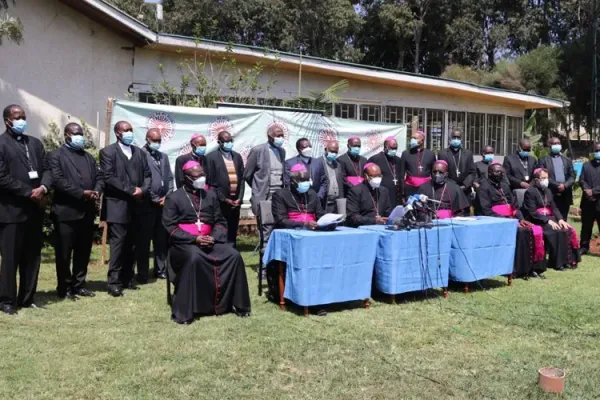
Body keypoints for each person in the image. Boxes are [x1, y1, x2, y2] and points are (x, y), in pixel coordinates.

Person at [162, 161, 251, 324]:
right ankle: (187, 310)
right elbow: (170, 227)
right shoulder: (174, 198)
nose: (201, 179)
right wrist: (193, 239)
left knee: (234, 255)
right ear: (186, 178)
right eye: (197, 176)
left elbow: (220, 221)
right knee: (194, 257)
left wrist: (214, 237)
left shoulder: (210, 195)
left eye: (203, 175)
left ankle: (238, 305)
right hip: (184, 244)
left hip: (210, 240)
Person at [0, 104, 51, 315]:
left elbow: (48, 169)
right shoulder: (1, 144)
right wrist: (29, 192)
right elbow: (2, 176)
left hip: (34, 211)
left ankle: (27, 297)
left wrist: (44, 188)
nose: (22, 120)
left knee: (32, 257)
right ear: (7, 121)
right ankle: (7, 301)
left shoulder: (35, 143)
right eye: (17, 117)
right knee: (10, 258)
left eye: (23, 116)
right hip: (11, 211)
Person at [47, 122, 101, 300]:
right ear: (67, 135)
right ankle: (64, 288)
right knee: (64, 253)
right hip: (66, 212)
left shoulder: (87, 157)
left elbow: (99, 176)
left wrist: (97, 190)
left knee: (83, 251)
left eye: (81, 133)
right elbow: (58, 180)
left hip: (86, 212)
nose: (80, 137)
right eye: (76, 133)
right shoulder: (55, 156)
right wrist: (82, 193)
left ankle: (79, 285)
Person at [100, 121, 151, 297]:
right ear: (118, 133)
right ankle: (114, 281)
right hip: (118, 205)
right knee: (118, 245)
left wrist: (142, 189)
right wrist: (131, 190)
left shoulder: (139, 152)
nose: (130, 133)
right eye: (126, 130)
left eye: (131, 130)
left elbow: (147, 175)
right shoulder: (108, 152)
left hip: (137, 206)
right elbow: (109, 177)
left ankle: (127, 278)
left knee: (133, 244)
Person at [478, 163, 546, 279]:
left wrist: (521, 219)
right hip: (495, 221)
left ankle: (534, 268)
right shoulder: (483, 188)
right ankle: (518, 270)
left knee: (534, 229)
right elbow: (485, 211)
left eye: (501, 172)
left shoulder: (505, 186)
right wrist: (508, 221)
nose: (500, 174)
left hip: (511, 219)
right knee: (521, 233)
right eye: (497, 172)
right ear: (489, 173)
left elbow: (515, 207)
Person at [523, 168, 580, 270]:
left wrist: (560, 219)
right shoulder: (530, 192)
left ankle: (567, 261)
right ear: (536, 180)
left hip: (550, 218)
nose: (546, 180)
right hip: (537, 220)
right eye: (543, 178)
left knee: (566, 230)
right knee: (555, 231)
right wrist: (548, 220)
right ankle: (556, 263)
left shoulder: (548, 191)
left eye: (547, 178)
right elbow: (532, 212)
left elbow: (554, 207)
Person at [141, 128, 173, 280]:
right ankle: (143, 272)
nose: (157, 143)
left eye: (159, 141)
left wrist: (167, 196)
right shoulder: (140, 155)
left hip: (163, 205)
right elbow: (141, 180)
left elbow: (170, 179)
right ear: (147, 139)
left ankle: (160, 270)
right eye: (154, 141)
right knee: (144, 240)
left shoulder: (164, 157)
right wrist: (154, 198)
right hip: (147, 204)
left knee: (161, 240)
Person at [206, 130, 245, 246]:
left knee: (232, 232)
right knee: (221, 231)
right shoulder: (211, 158)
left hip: (235, 202)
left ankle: (232, 253)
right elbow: (211, 183)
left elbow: (242, 179)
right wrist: (224, 199)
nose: (229, 143)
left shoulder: (237, 157)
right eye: (226, 141)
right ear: (219, 142)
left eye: (230, 141)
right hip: (221, 203)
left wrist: (240, 198)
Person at [244, 125, 286, 216]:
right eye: (278, 136)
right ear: (269, 137)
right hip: (264, 194)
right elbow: (247, 174)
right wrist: (258, 186)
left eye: (282, 136)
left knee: (278, 221)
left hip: (279, 193)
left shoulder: (282, 151)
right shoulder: (257, 150)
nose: (281, 138)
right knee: (264, 223)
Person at [272, 163, 325, 229]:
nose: (305, 183)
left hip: (313, 231)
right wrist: (304, 224)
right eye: (302, 180)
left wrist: (328, 222)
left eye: (307, 180)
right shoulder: (280, 195)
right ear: (292, 181)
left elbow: (320, 214)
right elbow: (281, 221)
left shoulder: (312, 194)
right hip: (291, 231)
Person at [536, 137, 575, 221]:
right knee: (551, 218)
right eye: (554, 144)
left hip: (565, 194)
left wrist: (565, 185)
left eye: (558, 143)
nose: (557, 145)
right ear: (549, 146)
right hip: (551, 193)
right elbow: (542, 176)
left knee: (564, 219)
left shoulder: (567, 160)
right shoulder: (543, 160)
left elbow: (572, 176)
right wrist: (557, 185)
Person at [346, 163, 392, 227]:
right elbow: (353, 217)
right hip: (363, 228)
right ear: (366, 176)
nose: (377, 179)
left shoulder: (384, 191)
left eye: (379, 176)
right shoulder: (356, 191)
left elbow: (388, 212)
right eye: (374, 176)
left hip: (382, 226)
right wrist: (374, 220)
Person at [284, 138, 327, 205]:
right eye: (305, 147)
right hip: (298, 202)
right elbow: (288, 184)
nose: (308, 149)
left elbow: (324, 182)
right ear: (298, 149)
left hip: (316, 201)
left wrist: (318, 197)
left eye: (310, 146)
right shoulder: (290, 163)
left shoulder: (318, 162)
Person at [436, 130, 476, 198]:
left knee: (465, 208)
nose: (456, 139)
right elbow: (441, 172)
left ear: (461, 139)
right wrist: (453, 186)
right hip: (448, 188)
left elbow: (472, 172)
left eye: (458, 137)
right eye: (454, 137)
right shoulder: (442, 153)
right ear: (450, 139)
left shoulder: (468, 153)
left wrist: (465, 185)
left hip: (465, 189)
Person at [367, 136, 403, 206]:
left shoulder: (398, 160)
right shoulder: (375, 159)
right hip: (382, 195)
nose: (394, 150)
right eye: (392, 148)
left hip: (397, 196)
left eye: (396, 148)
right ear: (385, 147)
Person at [578, 143, 600, 255]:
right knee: (586, 226)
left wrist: (594, 191)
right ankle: (584, 247)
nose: (598, 152)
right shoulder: (586, 165)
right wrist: (586, 190)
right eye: (597, 150)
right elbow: (581, 180)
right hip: (587, 202)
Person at [400, 130, 436, 197]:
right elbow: (401, 175)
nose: (412, 140)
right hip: (410, 188)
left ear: (422, 141)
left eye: (415, 138)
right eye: (412, 138)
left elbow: (433, 174)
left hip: (426, 188)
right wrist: (403, 192)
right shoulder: (406, 153)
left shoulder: (430, 154)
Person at [322, 140, 344, 213]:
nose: (334, 154)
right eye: (332, 151)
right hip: (324, 202)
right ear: (326, 149)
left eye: (335, 152)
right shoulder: (319, 163)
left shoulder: (338, 165)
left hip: (335, 203)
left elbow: (340, 184)